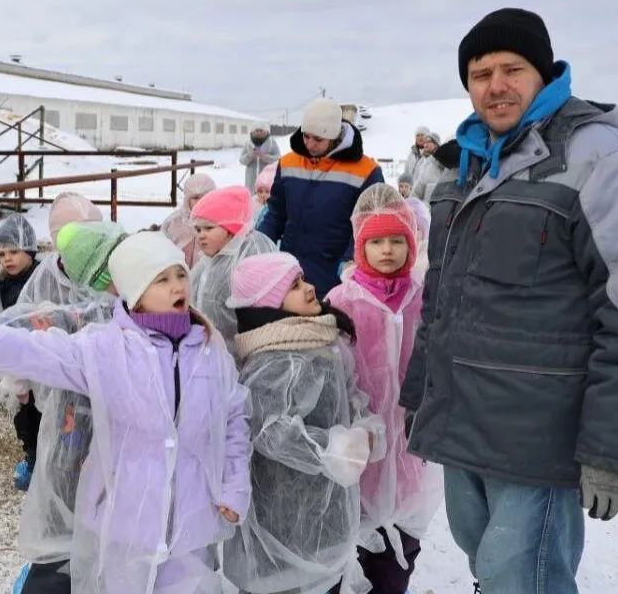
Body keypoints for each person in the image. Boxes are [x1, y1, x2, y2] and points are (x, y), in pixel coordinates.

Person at [400, 7, 618, 594]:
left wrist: (611, 448)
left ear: (544, 73)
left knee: (521, 579)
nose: (496, 85)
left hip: (541, 435)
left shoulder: (596, 155)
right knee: (485, 563)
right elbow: (443, 298)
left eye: (513, 68)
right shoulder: (472, 161)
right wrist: (419, 396)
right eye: (481, 74)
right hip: (465, 420)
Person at [0, 231, 251, 594]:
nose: (178, 286)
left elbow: (233, 420)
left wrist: (234, 487)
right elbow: (37, 351)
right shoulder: (107, 349)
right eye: (162, 279)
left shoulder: (209, 350)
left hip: (191, 531)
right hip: (125, 526)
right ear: (136, 293)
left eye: (180, 275)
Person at [221, 252, 384, 594]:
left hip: (323, 520)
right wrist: (332, 450)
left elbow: (349, 396)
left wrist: (365, 428)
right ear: (269, 304)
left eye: (302, 278)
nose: (309, 288)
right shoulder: (276, 359)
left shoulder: (319, 340)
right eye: (294, 286)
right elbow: (269, 430)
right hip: (282, 526)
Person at [325, 184, 443, 594]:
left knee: (401, 554)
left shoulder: (423, 299)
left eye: (397, 240)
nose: (388, 250)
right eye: (376, 241)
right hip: (362, 448)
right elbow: (332, 373)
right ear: (361, 245)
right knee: (352, 550)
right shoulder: (342, 301)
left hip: (412, 447)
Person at [5, 215, 123, 594]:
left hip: (112, 452)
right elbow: (22, 328)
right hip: (79, 437)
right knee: (74, 520)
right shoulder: (91, 317)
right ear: (105, 273)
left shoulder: (126, 309)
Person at [258, 97, 385, 299]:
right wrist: (258, 245)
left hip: (334, 277)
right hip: (290, 276)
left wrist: (349, 261)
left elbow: (368, 225)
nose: (309, 144)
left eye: (318, 139)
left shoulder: (366, 171)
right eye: (306, 136)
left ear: (334, 136)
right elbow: (276, 213)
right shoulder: (289, 162)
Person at [0, 213, 44, 490]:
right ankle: (32, 458)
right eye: (1, 253)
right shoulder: (1, 283)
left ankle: (55, 463)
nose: (7, 259)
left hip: (43, 357)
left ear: (29, 249)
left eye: (14, 251)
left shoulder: (43, 277)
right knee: (26, 412)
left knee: (50, 412)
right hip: (17, 360)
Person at [189, 185, 278, 361]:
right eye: (198, 230)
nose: (201, 236)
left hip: (245, 359)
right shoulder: (205, 265)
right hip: (210, 358)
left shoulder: (251, 253)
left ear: (231, 229)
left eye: (209, 228)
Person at [160, 173, 217, 268]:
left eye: (205, 197)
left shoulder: (221, 224)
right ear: (187, 200)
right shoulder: (174, 222)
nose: (200, 202)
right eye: (195, 198)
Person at [240, 123, 281, 192]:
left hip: (267, 179)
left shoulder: (272, 142)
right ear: (252, 132)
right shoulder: (248, 143)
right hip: (251, 182)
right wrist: (250, 156)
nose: (258, 132)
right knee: (252, 200)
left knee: (266, 200)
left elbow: (278, 158)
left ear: (265, 131)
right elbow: (241, 160)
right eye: (256, 131)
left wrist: (264, 156)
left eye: (261, 130)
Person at [253, 162, 278, 229]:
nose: (263, 195)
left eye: (267, 191)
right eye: (260, 191)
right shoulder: (254, 204)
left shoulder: (276, 207)